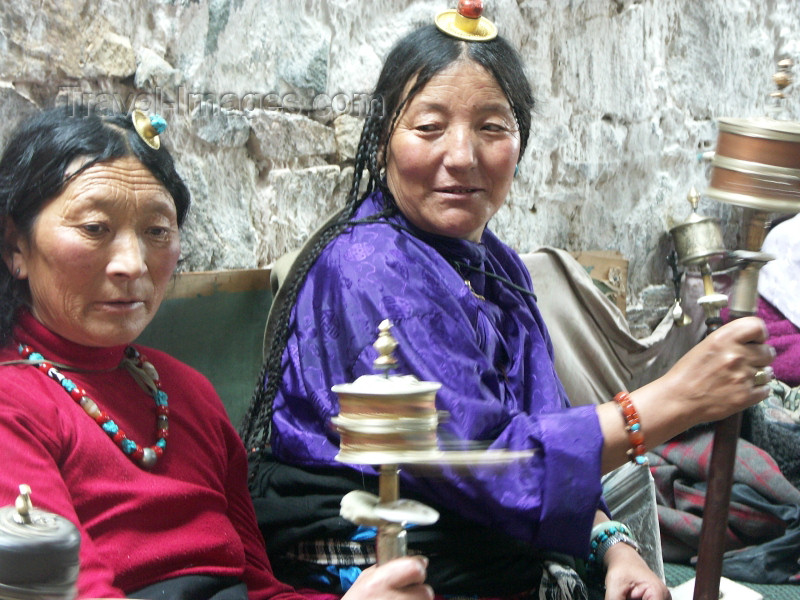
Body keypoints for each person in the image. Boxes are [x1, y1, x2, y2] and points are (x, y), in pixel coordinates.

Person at [240, 6, 775, 600]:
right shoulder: (368, 266)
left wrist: (613, 546)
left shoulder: (497, 265)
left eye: (492, 127)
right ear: (384, 137)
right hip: (383, 562)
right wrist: (671, 400)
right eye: (429, 127)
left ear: (520, 140)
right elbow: (484, 465)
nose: (463, 155)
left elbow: (535, 428)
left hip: (487, 544)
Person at [0, 106, 432, 600]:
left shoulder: (187, 393)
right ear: (16, 246)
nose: (132, 264)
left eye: (157, 231)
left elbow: (256, 587)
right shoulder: (12, 408)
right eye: (95, 228)